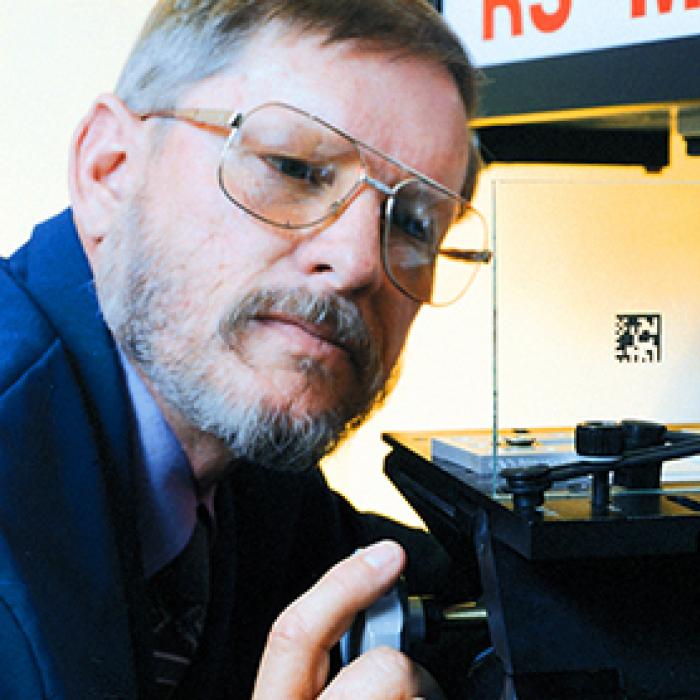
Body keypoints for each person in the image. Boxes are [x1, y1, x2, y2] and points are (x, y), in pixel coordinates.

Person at [0, 0, 490, 697]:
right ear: (109, 170)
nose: (358, 262)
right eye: (293, 167)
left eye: (414, 222)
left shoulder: (245, 462)